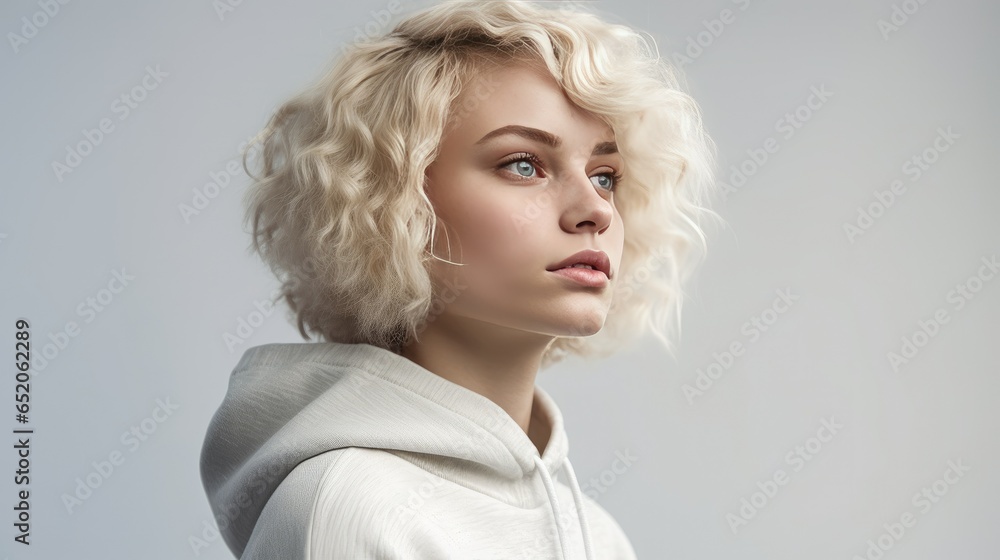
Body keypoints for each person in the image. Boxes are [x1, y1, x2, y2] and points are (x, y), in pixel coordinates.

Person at [199, 0, 719, 558]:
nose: (594, 209)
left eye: (605, 175)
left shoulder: (599, 536)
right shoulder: (352, 510)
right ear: (395, 202)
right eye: (524, 164)